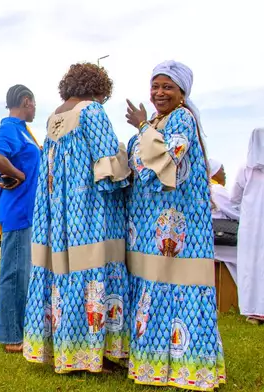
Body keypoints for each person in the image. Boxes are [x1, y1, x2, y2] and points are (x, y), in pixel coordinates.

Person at [23, 64, 130, 371]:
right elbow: (108, 161)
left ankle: (64, 349)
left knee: (63, 271)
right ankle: (88, 354)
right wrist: (126, 154)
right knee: (92, 268)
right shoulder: (92, 112)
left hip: (58, 212)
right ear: (99, 89)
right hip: (90, 209)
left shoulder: (53, 117)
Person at [125, 60, 225, 390]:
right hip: (153, 226)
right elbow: (138, 164)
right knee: (156, 291)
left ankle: (190, 369)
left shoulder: (182, 118)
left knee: (184, 292)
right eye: (155, 86)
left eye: (167, 86)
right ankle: (153, 365)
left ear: (182, 92)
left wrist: (141, 129)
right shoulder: (157, 120)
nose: (159, 93)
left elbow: (167, 158)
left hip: (180, 226)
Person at [0, 84, 40, 353]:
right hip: (17, 210)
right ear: (26, 101)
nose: (35, 109)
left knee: (23, 273)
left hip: (25, 211)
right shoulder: (10, 127)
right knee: (14, 274)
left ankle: (20, 329)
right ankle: (10, 336)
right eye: (34, 104)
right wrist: (20, 175)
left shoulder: (22, 131)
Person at [231, 128, 264, 325]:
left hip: (252, 226)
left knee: (252, 266)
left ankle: (254, 310)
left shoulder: (245, 169)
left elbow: (234, 198)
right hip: (252, 225)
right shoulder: (246, 168)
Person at [209, 158, 240, 282]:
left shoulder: (205, 188)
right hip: (223, 240)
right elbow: (236, 213)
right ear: (213, 172)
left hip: (213, 242)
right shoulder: (216, 189)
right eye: (222, 169)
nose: (224, 173)